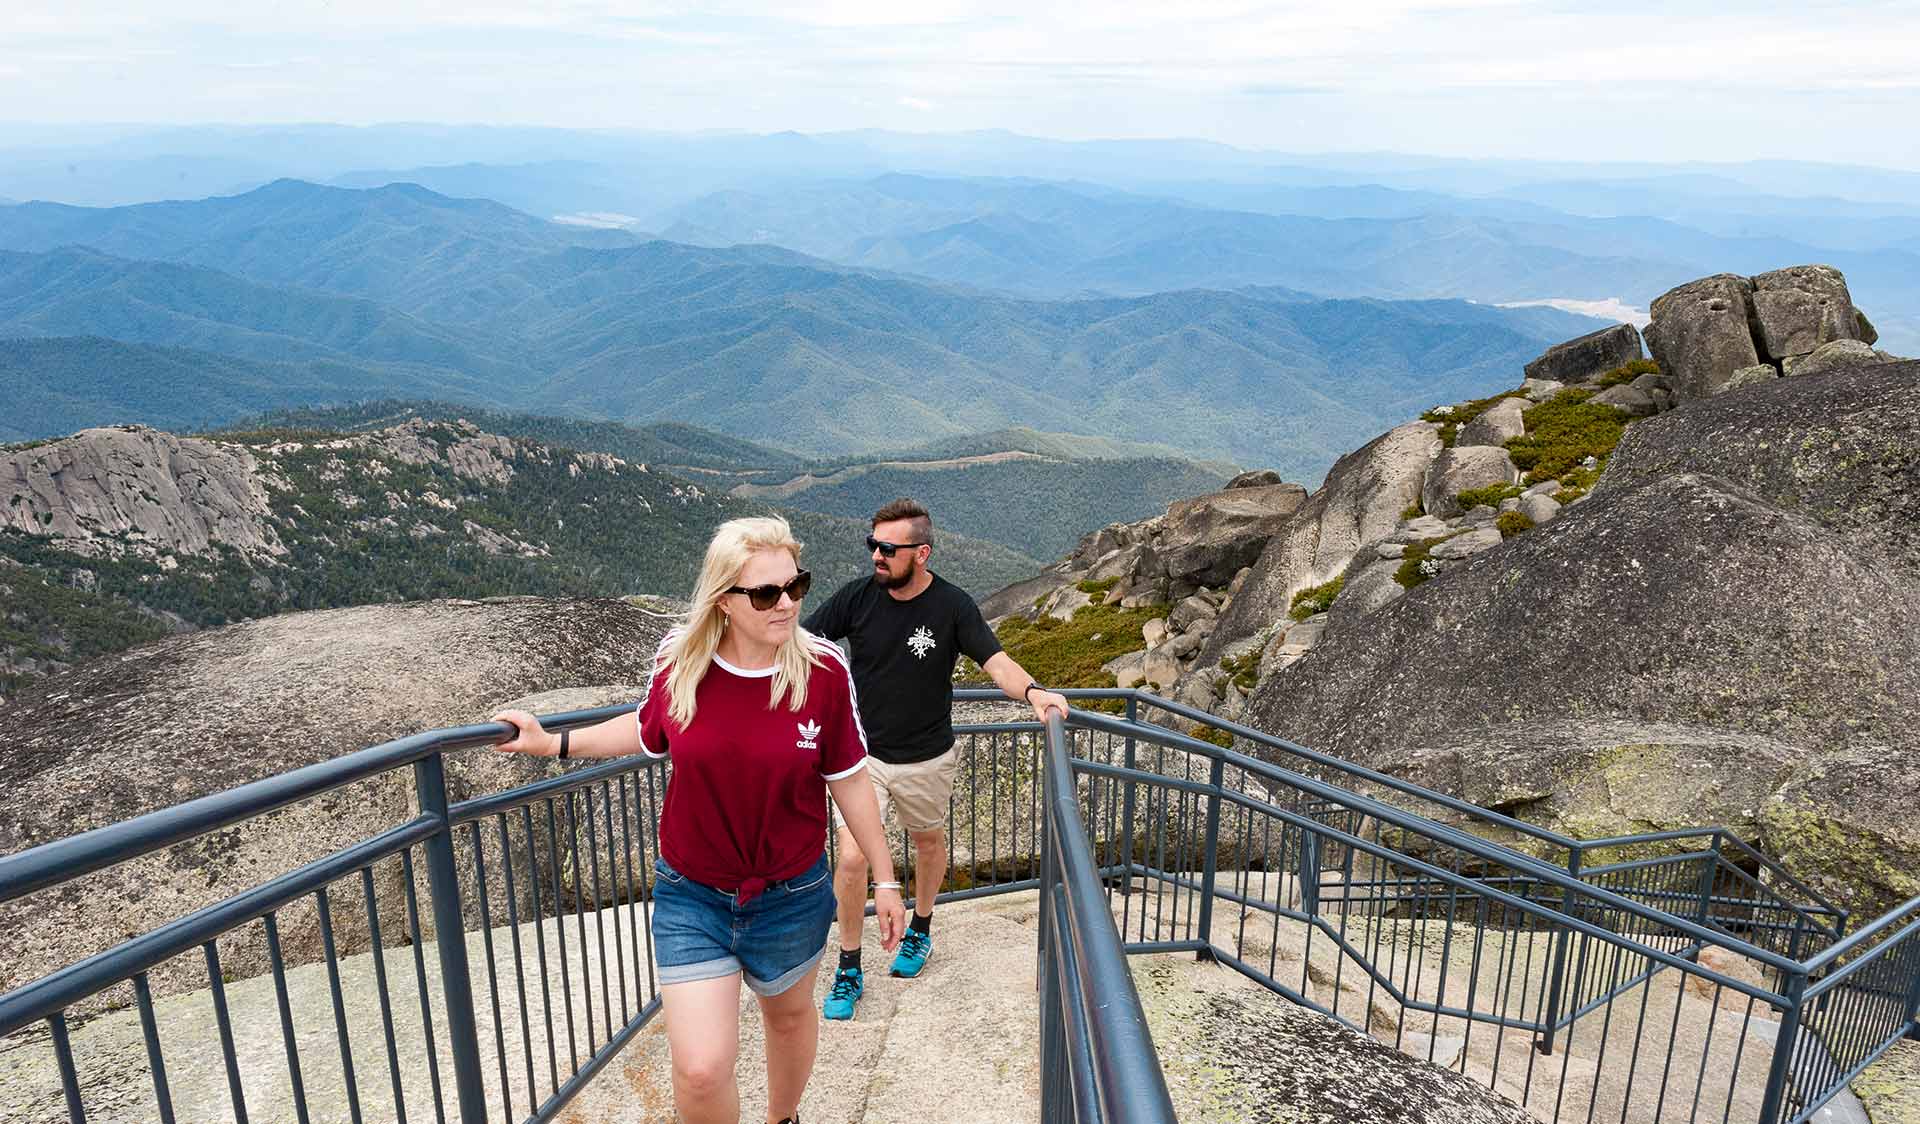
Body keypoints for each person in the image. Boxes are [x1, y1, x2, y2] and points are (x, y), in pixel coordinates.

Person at [493, 515, 906, 1124]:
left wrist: (886, 876)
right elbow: (645, 729)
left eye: (797, 586)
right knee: (700, 1067)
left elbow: (847, 776)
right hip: (694, 896)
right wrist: (551, 742)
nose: (787, 604)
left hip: (792, 892)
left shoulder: (822, 671)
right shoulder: (683, 660)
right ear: (724, 599)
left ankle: (782, 1118)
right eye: (767, 593)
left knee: (789, 1018)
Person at [802, 498, 1069, 1021]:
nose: (876, 556)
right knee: (853, 858)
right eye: (872, 545)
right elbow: (800, 643)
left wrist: (1036, 694)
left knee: (927, 842)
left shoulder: (952, 607)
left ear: (921, 553)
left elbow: (997, 662)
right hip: (862, 758)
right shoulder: (856, 599)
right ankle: (850, 964)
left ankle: (921, 928)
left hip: (928, 757)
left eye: (888, 548)